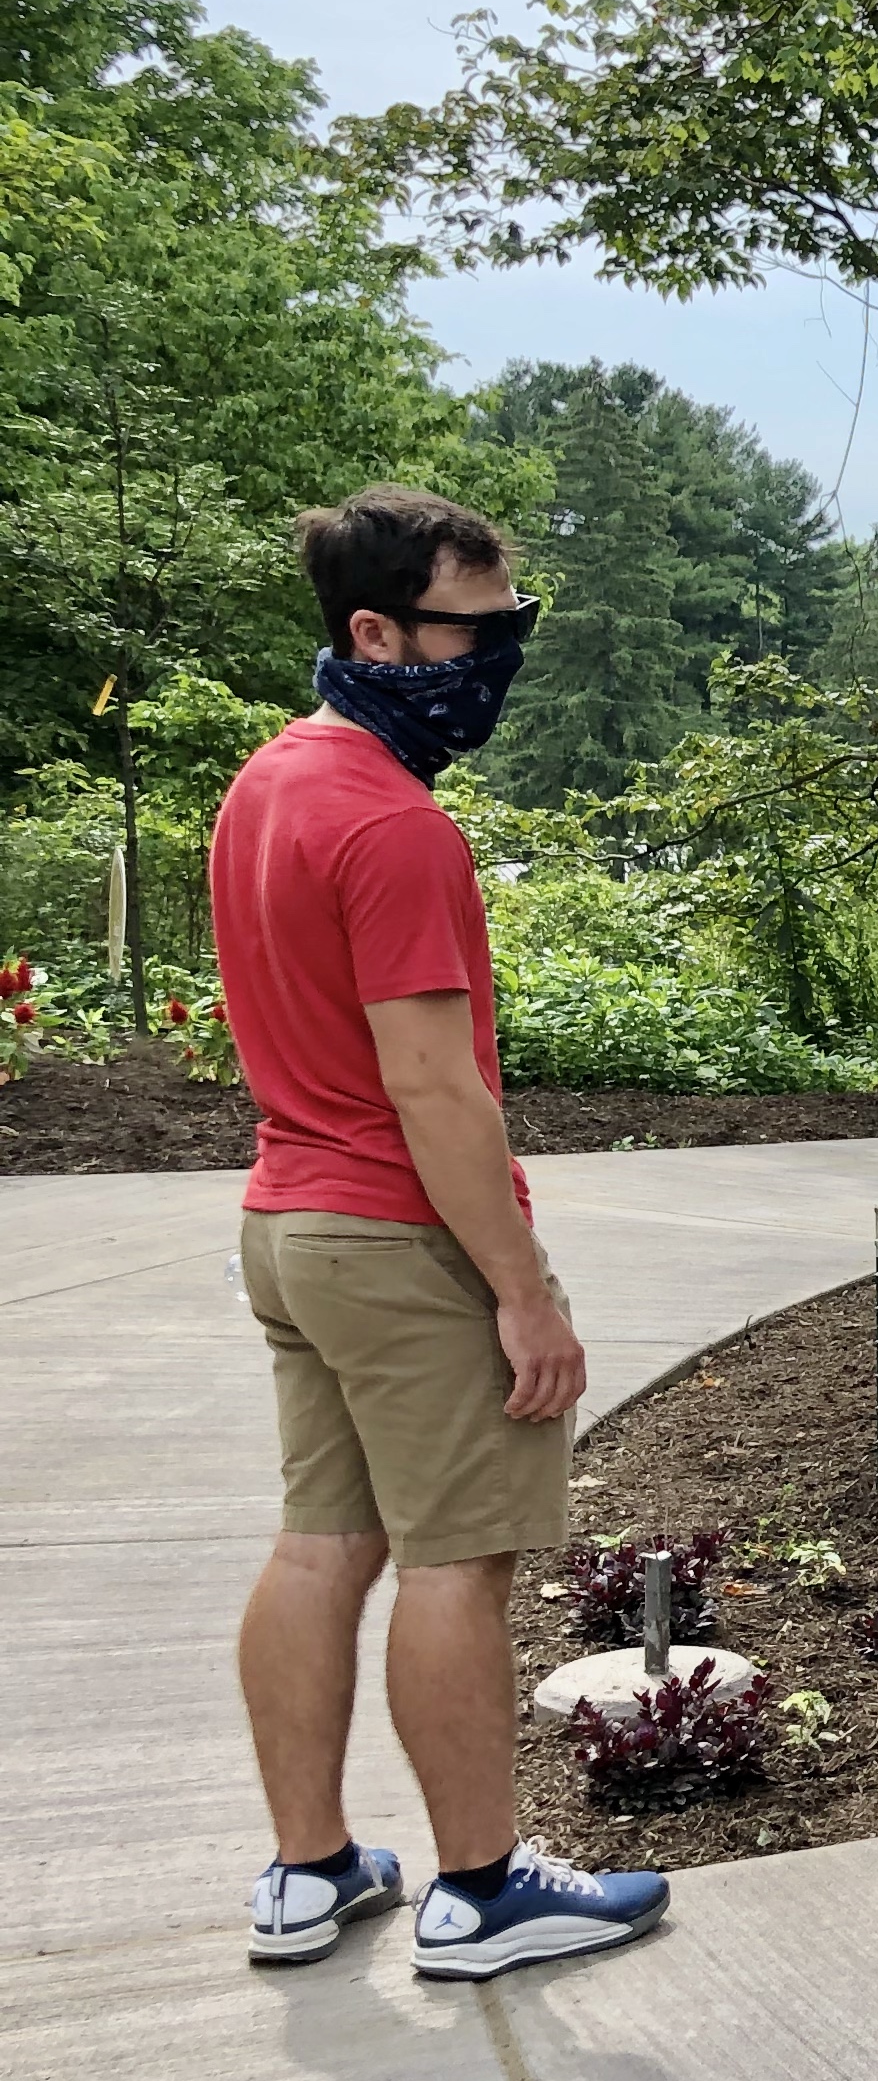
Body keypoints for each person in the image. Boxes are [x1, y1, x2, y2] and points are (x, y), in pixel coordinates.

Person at [211, 485, 670, 1979]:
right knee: (460, 1560)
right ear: (376, 631)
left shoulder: (269, 784)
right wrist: (522, 1295)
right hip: (397, 1238)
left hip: (288, 1220)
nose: (503, 655)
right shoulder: (394, 827)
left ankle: (308, 1870)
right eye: (481, 628)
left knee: (321, 1542)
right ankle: (481, 1891)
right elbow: (435, 1086)